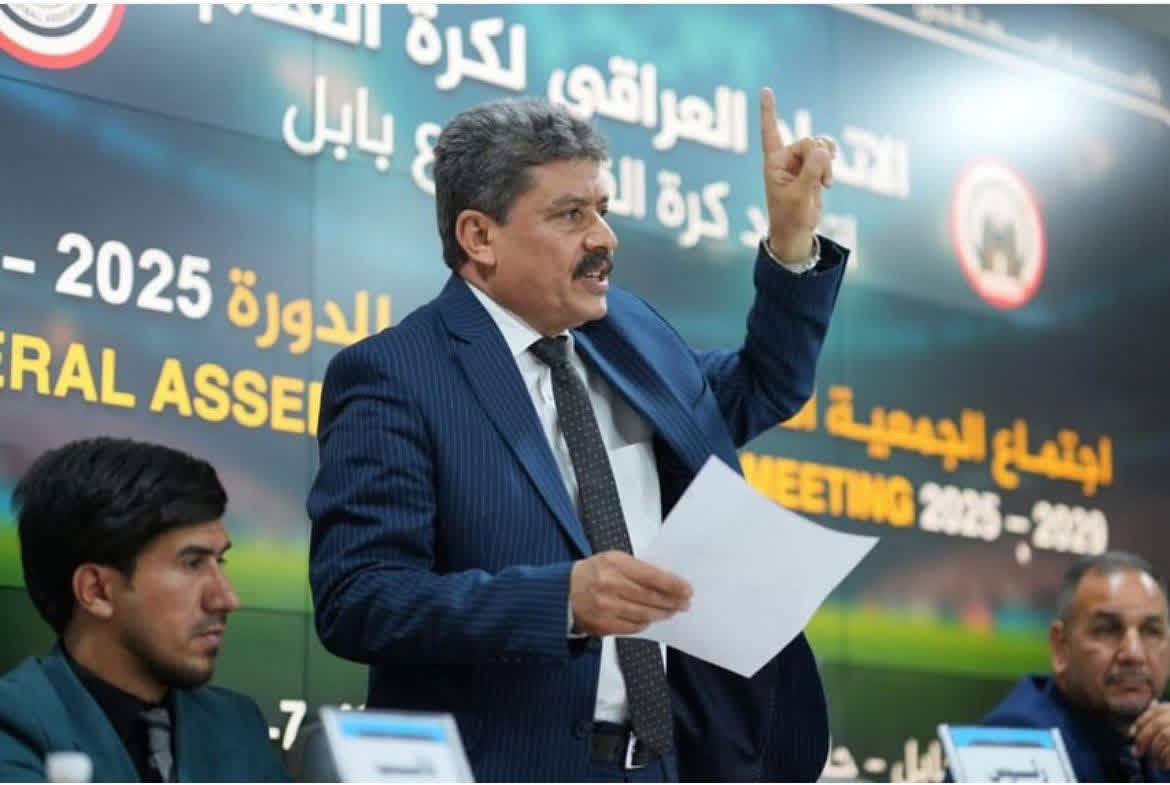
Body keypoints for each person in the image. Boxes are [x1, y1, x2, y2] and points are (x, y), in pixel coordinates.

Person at [308, 89, 847, 782]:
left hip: (669, 764)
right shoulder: (397, 374)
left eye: (603, 210)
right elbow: (360, 598)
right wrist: (560, 601)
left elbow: (760, 387)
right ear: (479, 237)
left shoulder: (629, 330)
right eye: (570, 214)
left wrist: (792, 244)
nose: (604, 238)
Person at [0, 437, 287, 782]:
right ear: (96, 591)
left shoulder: (237, 724)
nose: (227, 598)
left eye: (220, 561)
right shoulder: (14, 724)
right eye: (192, 563)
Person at [983, 552, 1170, 782]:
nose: (1134, 653)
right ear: (1061, 647)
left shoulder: (1161, 733)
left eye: (1151, 631)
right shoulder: (1015, 745)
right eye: (1107, 630)